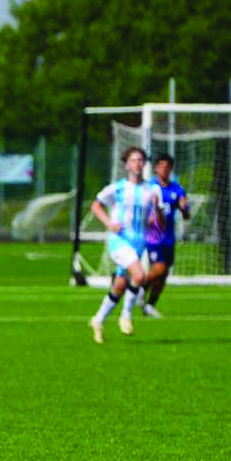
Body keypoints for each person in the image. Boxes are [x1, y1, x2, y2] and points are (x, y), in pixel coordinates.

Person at [87, 146, 163, 343]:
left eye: (140, 160)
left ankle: (97, 320)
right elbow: (95, 205)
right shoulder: (117, 188)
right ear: (126, 164)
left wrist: (157, 209)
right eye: (133, 160)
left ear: (144, 164)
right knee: (140, 275)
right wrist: (109, 223)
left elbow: (159, 223)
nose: (137, 164)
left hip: (139, 243)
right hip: (119, 241)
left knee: (120, 285)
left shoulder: (152, 190)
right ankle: (126, 316)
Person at [139, 152, 189, 318]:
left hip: (169, 237)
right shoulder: (149, 187)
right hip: (154, 236)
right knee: (159, 268)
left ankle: (150, 306)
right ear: (156, 168)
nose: (164, 169)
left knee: (164, 274)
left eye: (167, 166)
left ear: (171, 168)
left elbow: (186, 214)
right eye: (161, 165)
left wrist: (184, 208)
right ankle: (138, 289)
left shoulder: (177, 189)